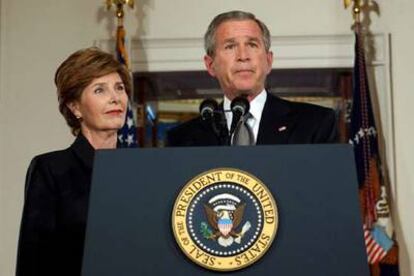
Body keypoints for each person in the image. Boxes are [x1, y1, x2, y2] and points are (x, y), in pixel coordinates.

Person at [16, 47, 132, 276]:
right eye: (100, 90)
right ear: (75, 107)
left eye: (119, 88)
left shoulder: (141, 169)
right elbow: (33, 260)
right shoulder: (51, 170)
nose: (115, 98)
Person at [166, 11, 337, 146]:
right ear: (211, 65)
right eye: (230, 46)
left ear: (268, 61)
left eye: (252, 45)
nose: (243, 56)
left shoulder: (315, 124)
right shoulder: (183, 139)